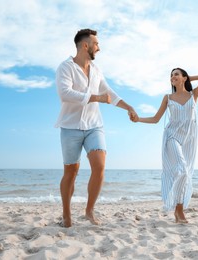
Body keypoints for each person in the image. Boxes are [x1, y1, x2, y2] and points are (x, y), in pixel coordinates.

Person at [55, 28, 138, 227]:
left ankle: (89, 211)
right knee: (71, 172)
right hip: (70, 127)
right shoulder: (65, 67)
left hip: (94, 126)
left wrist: (129, 107)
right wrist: (95, 98)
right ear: (86, 45)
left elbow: (109, 93)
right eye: (96, 44)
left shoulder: (96, 70)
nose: (98, 48)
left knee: (99, 166)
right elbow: (65, 93)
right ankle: (67, 215)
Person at [132, 68, 198, 223]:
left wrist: (188, 78)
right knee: (181, 168)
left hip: (189, 139)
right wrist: (138, 119)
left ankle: (178, 210)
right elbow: (156, 119)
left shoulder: (193, 95)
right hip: (172, 136)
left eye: (176, 74)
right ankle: (179, 210)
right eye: (171, 75)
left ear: (183, 78)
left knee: (186, 173)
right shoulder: (168, 98)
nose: (173, 77)